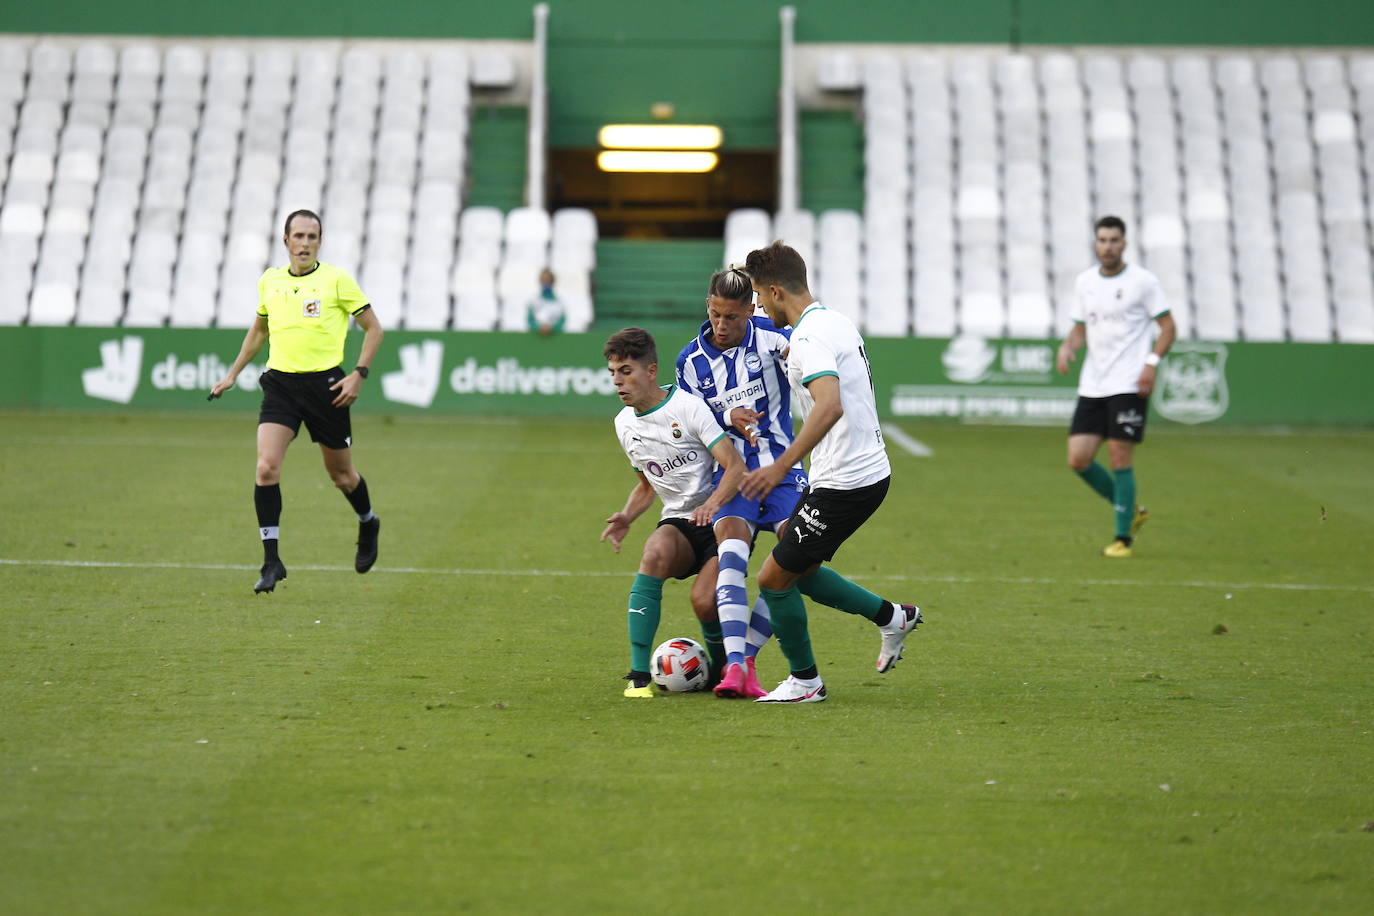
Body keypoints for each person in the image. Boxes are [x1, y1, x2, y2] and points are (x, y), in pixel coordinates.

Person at [739, 241, 920, 704]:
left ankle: (805, 681)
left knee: (773, 579)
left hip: (847, 481)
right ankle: (891, 617)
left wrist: (780, 466)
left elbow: (830, 405)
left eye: (760, 296)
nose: (759, 305)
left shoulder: (808, 337)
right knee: (799, 567)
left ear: (776, 291)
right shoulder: (833, 319)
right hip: (858, 473)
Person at [209, 209, 384, 593]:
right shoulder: (270, 281)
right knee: (266, 468)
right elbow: (259, 331)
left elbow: (374, 328)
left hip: (327, 388)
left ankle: (368, 521)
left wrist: (359, 374)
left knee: (341, 476)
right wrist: (232, 374)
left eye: (312, 237)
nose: (305, 243)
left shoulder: (336, 280)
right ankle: (272, 562)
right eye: (299, 236)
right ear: (285, 240)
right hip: (281, 387)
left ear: (320, 242)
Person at [674, 266, 804, 699]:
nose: (722, 325)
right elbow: (690, 422)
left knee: (796, 561)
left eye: (732, 317)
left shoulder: (776, 338)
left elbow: (813, 365)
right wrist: (727, 416)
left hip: (782, 472)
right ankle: (733, 668)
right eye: (715, 315)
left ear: (751, 309)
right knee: (731, 557)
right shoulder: (689, 362)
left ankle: (745, 659)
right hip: (730, 475)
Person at [600, 327, 745, 698]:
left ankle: (724, 671)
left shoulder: (687, 407)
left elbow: (734, 466)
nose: (618, 381)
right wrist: (627, 517)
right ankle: (637, 677)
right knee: (654, 552)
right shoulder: (624, 424)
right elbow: (648, 485)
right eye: (613, 372)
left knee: (703, 599)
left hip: (723, 518)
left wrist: (713, 504)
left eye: (626, 371)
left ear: (651, 371)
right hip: (680, 521)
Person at [1056, 215, 1176, 559]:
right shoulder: (1085, 282)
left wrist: (1151, 364)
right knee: (1078, 459)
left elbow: (1168, 327)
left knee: (1119, 456)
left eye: (1114, 240)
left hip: (1129, 381)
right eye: (1102, 240)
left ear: (1124, 244)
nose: (1108, 246)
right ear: (1096, 243)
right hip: (1093, 383)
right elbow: (1081, 327)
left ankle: (1123, 537)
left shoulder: (1144, 282)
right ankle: (1131, 508)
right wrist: (1068, 346)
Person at [527, 268, 566, 336]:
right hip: (536, 338)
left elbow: (562, 321)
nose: (546, 283)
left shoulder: (559, 302)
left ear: (553, 281)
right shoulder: (533, 301)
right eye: (544, 280)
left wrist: (552, 329)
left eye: (548, 280)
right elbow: (530, 320)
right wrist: (539, 328)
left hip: (555, 338)